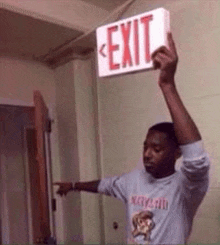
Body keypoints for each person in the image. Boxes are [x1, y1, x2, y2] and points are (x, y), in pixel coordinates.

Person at [54, 33, 210, 245]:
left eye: (156, 149)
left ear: (176, 152)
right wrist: (73, 185)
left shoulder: (186, 188)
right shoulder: (133, 181)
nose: (146, 154)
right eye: (145, 147)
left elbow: (197, 160)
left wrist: (168, 86)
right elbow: (104, 185)